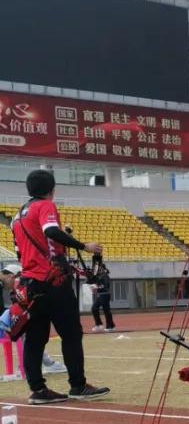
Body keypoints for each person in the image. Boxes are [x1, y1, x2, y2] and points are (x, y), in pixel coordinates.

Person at [11, 170, 109, 404]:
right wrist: (84, 246)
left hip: (30, 284)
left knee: (35, 338)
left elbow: (20, 250)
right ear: (51, 189)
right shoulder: (45, 206)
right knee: (72, 334)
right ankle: (78, 385)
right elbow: (50, 231)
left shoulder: (18, 216)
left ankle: (38, 390)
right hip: (53, 281)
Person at [89, 253, 115, 330]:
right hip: (100, 295)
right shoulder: (99, 276)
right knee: (94, 308)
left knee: (106, 310)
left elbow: (105, 286)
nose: (98, 270)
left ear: (103, 269)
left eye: (99, 268)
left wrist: (96, 286)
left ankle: (110, 326)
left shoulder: (105, 276)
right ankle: (99, 324)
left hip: (105, 295)